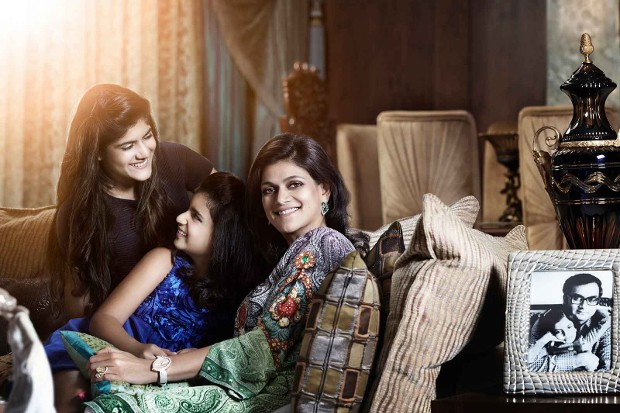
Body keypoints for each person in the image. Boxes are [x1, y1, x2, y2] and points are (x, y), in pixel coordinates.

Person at [81, 133, 360, 412]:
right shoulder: (280, 257)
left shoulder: (326, 243)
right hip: (235, 386)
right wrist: (191, 360)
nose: (281, 199)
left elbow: (261, 349)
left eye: (295, 184)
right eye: (268, 189)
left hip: (264, 399)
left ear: (324, 189)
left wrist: (155, 368)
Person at [47, 172, 259, 412]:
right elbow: (103, 319)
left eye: (196, 216)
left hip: (159, 377)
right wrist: (137, 349)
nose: (181, 217)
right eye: (188, 209)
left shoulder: (240, 301)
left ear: (224, 236)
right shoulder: (164, 261)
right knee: (74, 394)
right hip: (102, 345)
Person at [50, 83, 215, 320]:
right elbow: (79, 303)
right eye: (127, 146)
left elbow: (229, 206)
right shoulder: (79, 214)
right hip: (131, 328)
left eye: (147, 136)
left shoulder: (174, 158)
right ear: (97, 152)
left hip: (202, 307)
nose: (144, 153)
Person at [528, 273, 611, 372]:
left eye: (591, 299)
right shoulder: (546, 320)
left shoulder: (605, 324)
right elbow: (528, 366)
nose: (583, 306)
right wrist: (578, 360)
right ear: (565, 299)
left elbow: (608, 373)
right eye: (577, 298)